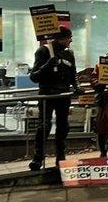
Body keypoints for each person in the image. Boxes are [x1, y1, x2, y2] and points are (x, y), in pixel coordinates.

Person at [29, 27, 77, 171]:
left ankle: (60, 157)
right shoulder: (44, 51)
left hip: (63, 95)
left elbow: (73, 73)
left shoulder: (69, 53)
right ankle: (38, 158)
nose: (71, 40)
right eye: (69, 38)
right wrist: (47, 66)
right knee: (44, 126)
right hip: (47, 94)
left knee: (63, 126)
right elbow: (34, 76)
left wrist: (76, 86)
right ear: (61, 38)